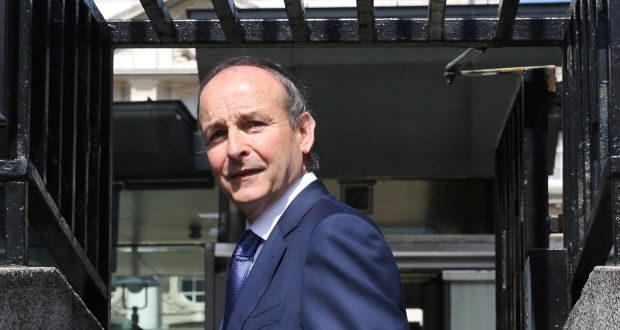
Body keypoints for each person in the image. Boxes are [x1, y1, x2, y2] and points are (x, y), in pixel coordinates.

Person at [198, 56, 408, 330]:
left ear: (303, 132)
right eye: (217, 134)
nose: (234, 148)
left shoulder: (334, 234)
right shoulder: (254, 252)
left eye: (254, 124)